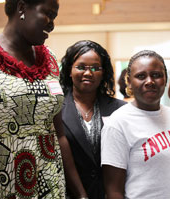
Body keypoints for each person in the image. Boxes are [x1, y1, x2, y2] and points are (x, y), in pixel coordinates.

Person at [0, 0, 87, 198]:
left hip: (49, 182)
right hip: (0, 180)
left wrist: (80, 194)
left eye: (55, 17)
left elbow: (58, 135)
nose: (52, 24)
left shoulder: (49, 60)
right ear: (22, 7)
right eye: (48, 13)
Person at [101, 50, 170, 199]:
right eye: (141, 76)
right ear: (129, 81)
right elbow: (113, 191)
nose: (149, 81)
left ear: (165, 79)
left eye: (156, 75)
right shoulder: (118, 123)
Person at [60, 40, 126, 199]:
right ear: (69, 70)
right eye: (81, 67)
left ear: (103, 73)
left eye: (95, 68)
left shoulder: (120, 109)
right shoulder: (56, 109)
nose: (88, 73)